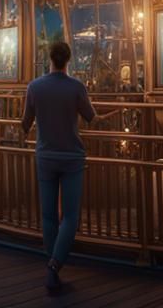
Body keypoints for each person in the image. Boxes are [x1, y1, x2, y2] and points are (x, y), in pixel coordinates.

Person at [21, 41, 96, 290]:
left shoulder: (35, 86)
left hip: (45, 155)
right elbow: (90, 116)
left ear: (49, 58)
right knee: (71, 216)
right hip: (72, 157)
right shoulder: (76, 87)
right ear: (68, 60)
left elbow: (25, 121)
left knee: (48, 215)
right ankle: (55, 265)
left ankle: (51, 267)